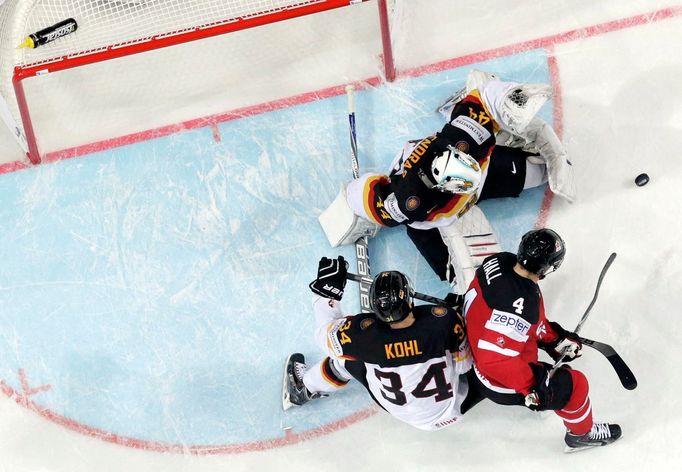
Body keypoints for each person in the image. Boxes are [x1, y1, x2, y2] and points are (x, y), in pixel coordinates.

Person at [318, 70, 575, 293]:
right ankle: (449, 274)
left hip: (480, 177)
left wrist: (513, 98)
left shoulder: (466, 138)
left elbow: (488, 97)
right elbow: (364, 197)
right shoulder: (409, 203)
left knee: (538, 169)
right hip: (426, 223)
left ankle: (459, 103)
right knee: (451, 266)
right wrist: (353, 206)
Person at [461, 228, 621, 451]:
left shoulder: (500, 261)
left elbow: (528, 321)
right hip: (491, 379)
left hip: (473, 343)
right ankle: (581, 435)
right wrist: (534, 386)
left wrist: (555, 340)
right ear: (549, 266)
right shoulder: (521, 306)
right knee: (576, 385)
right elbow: (493, 361)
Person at [282, 256, 475, 431]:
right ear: (408, 300)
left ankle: (304, 388)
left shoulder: (362, 336)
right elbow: (464, 365)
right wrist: (461, 314)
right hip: (452, 407)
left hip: (402, 412)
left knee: (341, 361)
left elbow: (324, 333)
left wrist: (326, 291)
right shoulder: (443, 321)